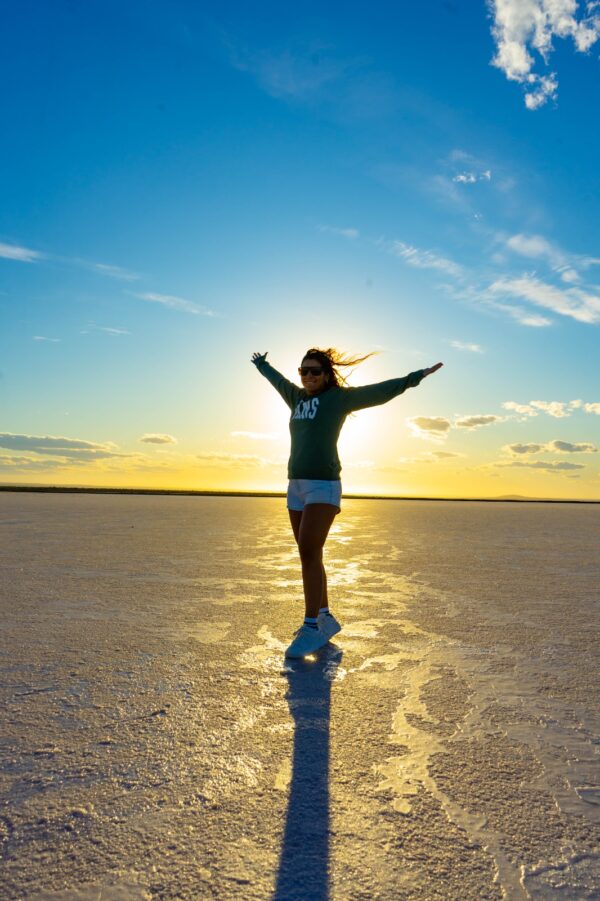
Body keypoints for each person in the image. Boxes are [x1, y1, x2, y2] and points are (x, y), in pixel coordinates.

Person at [251, 347, 443, 658]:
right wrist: (263, 365)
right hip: (295, 486)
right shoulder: (296, 397)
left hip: (323, 486)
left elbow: (378, 392)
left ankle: (311, 625)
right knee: (308, 554)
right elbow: (278, 381)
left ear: (326, 375)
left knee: (309, 551)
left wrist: (414, 378)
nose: (308, 376)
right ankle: (324, 616)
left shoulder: (338, 399)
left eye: (315, 371)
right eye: (304, 371)